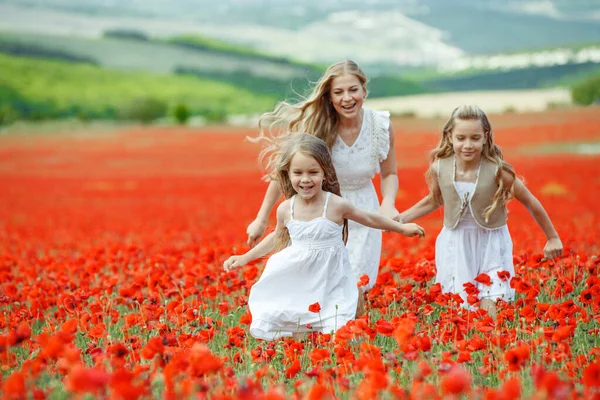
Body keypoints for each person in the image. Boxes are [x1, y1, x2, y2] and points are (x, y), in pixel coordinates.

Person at [224, 133, 424, 340]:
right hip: (299, 277)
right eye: (298, 173)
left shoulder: (335, 205)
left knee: (337, 327)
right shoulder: (286, 209)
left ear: (325, 173)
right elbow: (276, 237)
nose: (305, 179)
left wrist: (401, 228)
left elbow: (369, 218)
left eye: (313, 172)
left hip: (331, 277)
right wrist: (245, 258)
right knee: (299, 330)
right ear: (288, 174)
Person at [246, 60, 400, 303]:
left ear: (364, 91)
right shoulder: (317, 127)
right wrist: (260, 218)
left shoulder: (380, 125)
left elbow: (389, 173)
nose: (347, 98)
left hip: (364, 211)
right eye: (338, 92)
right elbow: (282, 173)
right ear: (329, 96)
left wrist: (389, 203)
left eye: (353, 90)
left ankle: (349, 336)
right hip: (324, 212)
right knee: (323, 287)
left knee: (358, 287)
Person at [400, 105, 563, 319]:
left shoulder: (498, 171)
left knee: (491, 303)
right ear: (450, 136)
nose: (467, 145)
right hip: (455, 244)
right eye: (461, 138)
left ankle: (494, 345)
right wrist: (400, 220)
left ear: (486, 137)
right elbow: (435, 200)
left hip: (492, 243)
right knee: (464, 312)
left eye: (475, 138)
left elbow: (531, 202)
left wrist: (552, 237)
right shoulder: (440, 168)